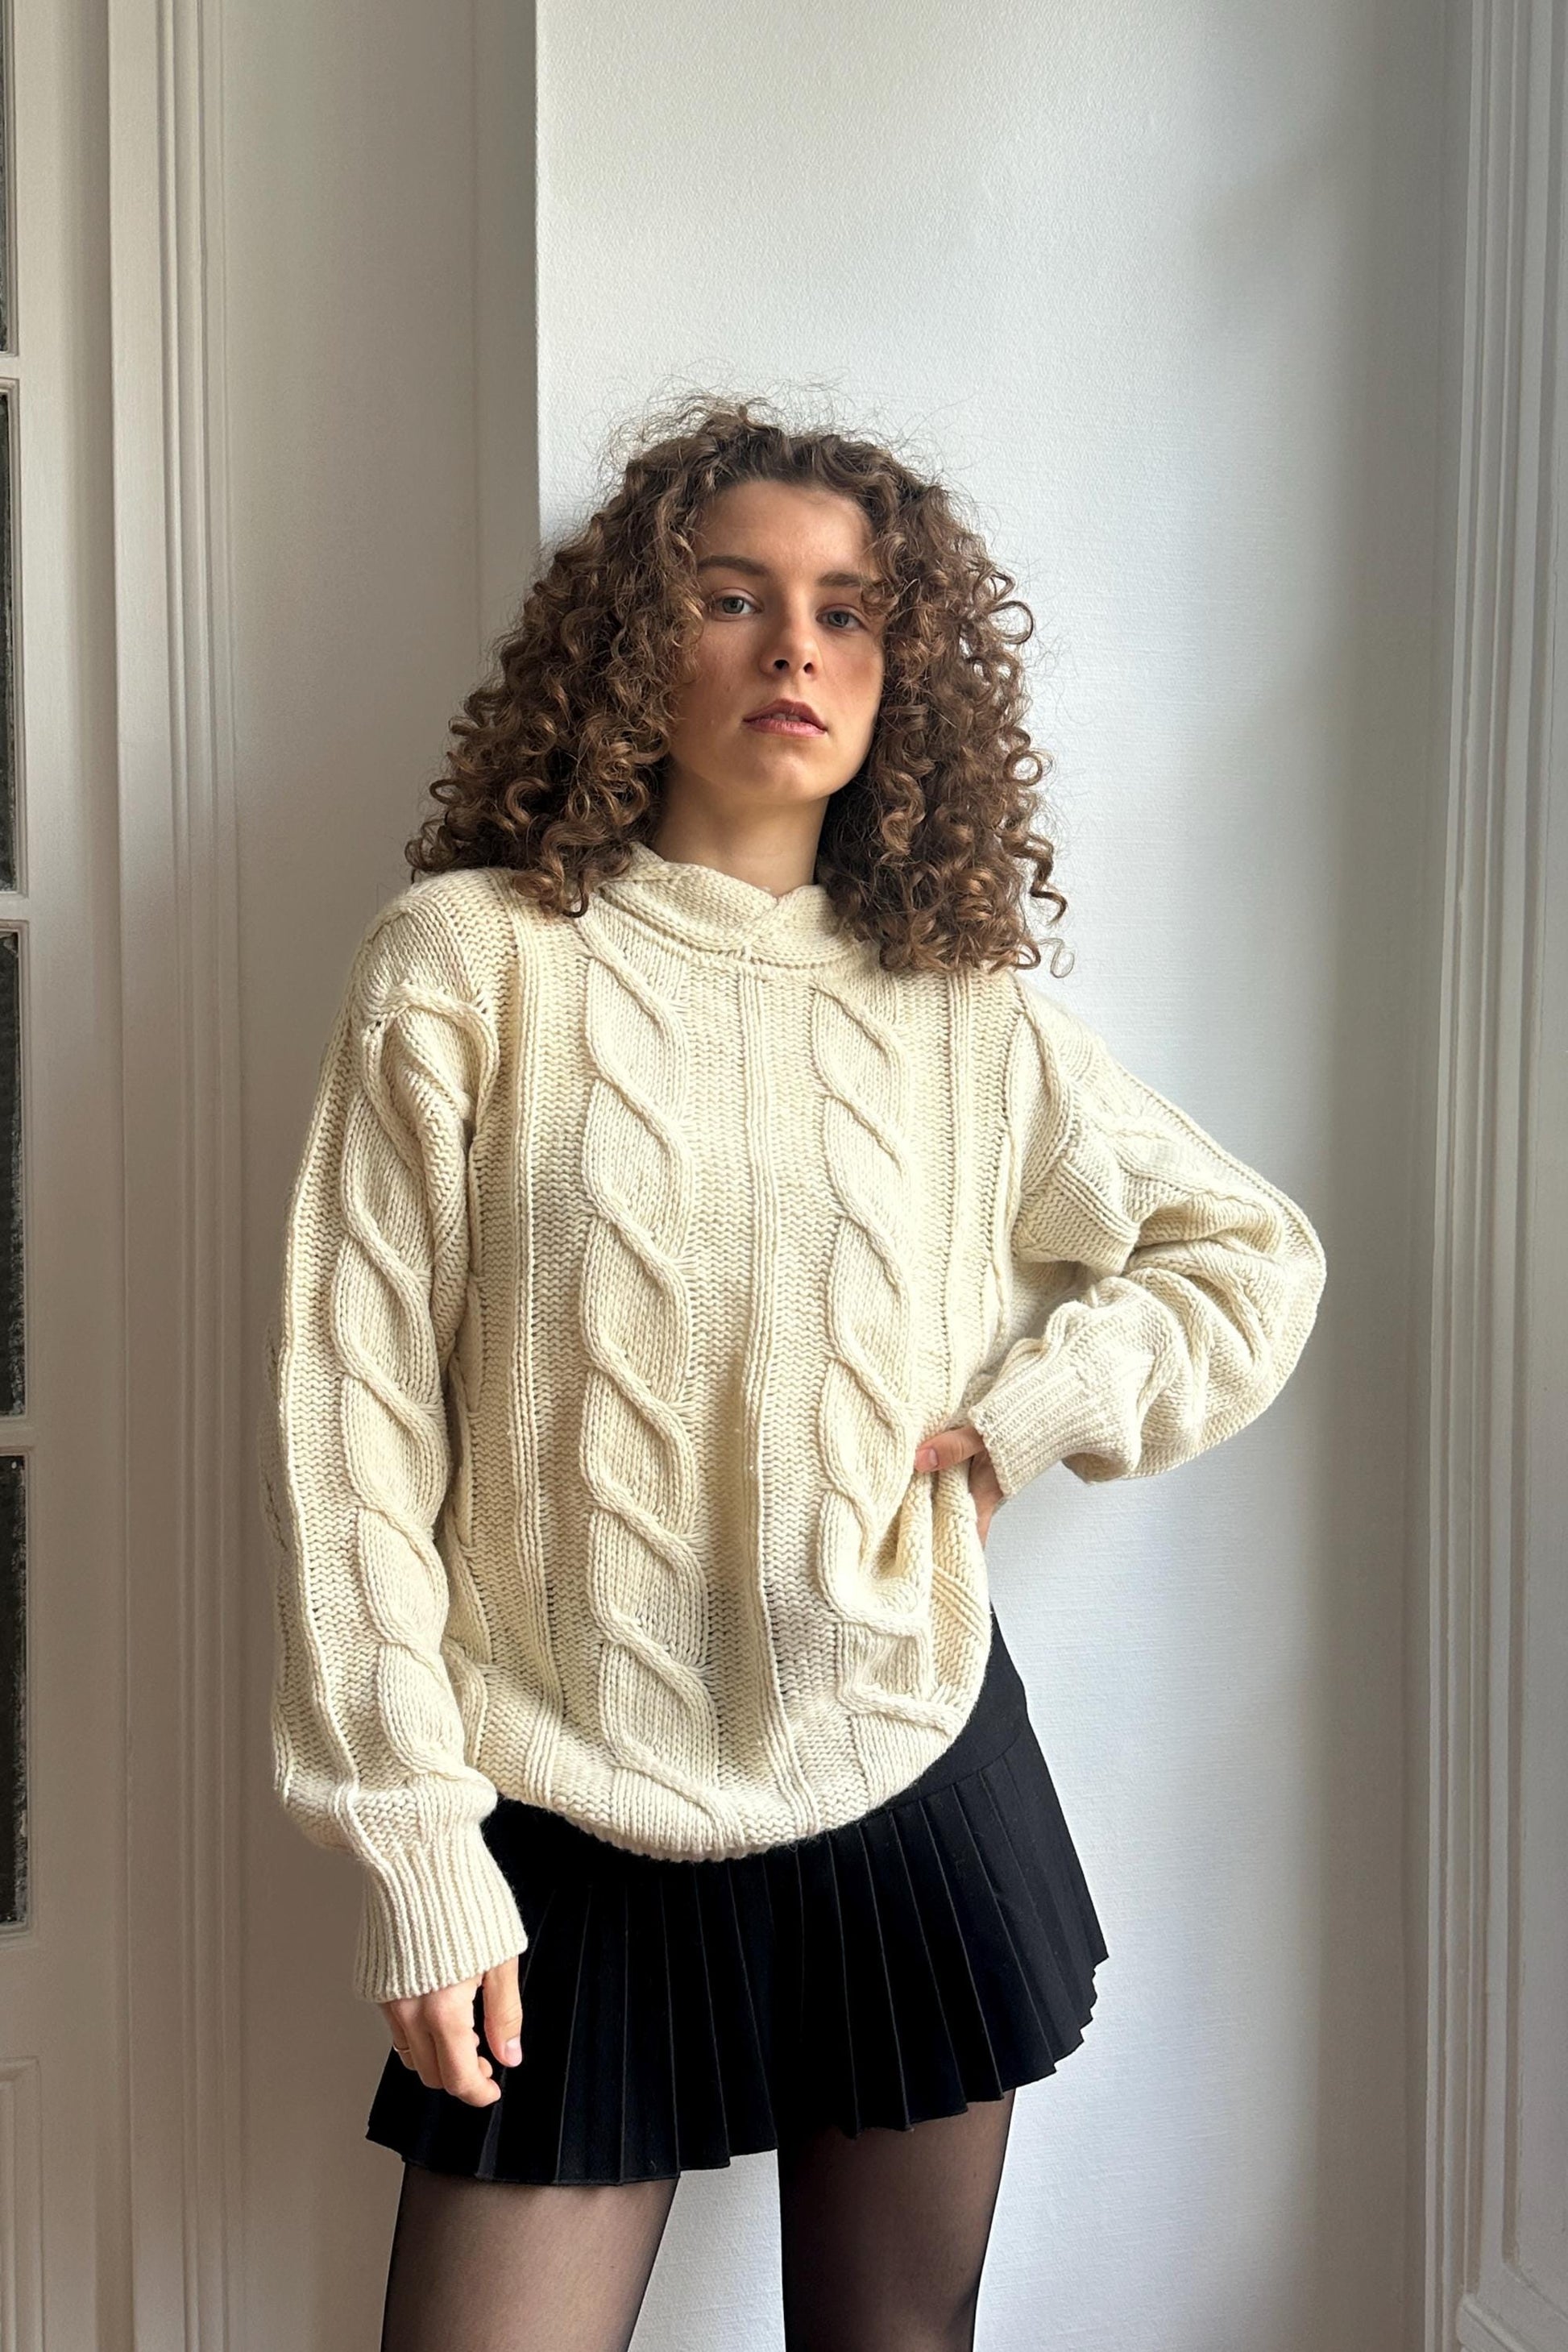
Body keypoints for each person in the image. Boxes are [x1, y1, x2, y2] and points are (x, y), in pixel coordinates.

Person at [259, 392, 1328, 2352]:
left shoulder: (959, 1015)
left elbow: (1250, 1251)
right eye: (733, 595)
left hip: (907, 1769)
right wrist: (415, 1843)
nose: (796, 647)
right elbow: (351, 1438)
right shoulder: (467, 965)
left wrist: (1042, 1410)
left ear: (899, 678)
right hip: (561, 1799)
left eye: (847, 609)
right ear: (629, 650)